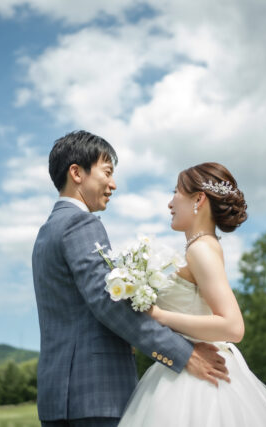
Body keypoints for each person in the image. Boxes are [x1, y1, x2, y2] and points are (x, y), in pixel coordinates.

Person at [32, 131, 229, 427]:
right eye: (107, 172)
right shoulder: (80, 223)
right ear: (77, 173)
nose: (113, 184)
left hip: (57, 397)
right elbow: (107, 303)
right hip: (97, 395)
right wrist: (183, 353)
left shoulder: (46, 232)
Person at [118, 162, 266, 426]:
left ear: (198, 199)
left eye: (176, 192)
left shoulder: (200, 249)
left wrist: (159, 315)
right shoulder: (203, 246)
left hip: (197, 382)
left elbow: (232, 326)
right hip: (188, 367)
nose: (170, 203)